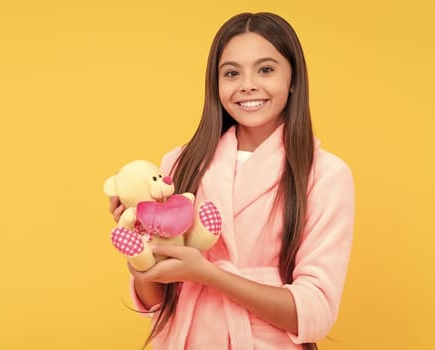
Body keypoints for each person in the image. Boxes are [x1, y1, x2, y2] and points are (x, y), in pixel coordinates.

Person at [107, 12, 355, 350]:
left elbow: (315, 312)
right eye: (231, 73)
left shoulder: (325, 176)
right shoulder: (181, 163)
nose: (247, 85)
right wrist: (140, 246)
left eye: (266, 70)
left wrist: (207, 275)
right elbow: (157, 301)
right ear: (216, 83)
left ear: (293, 78)